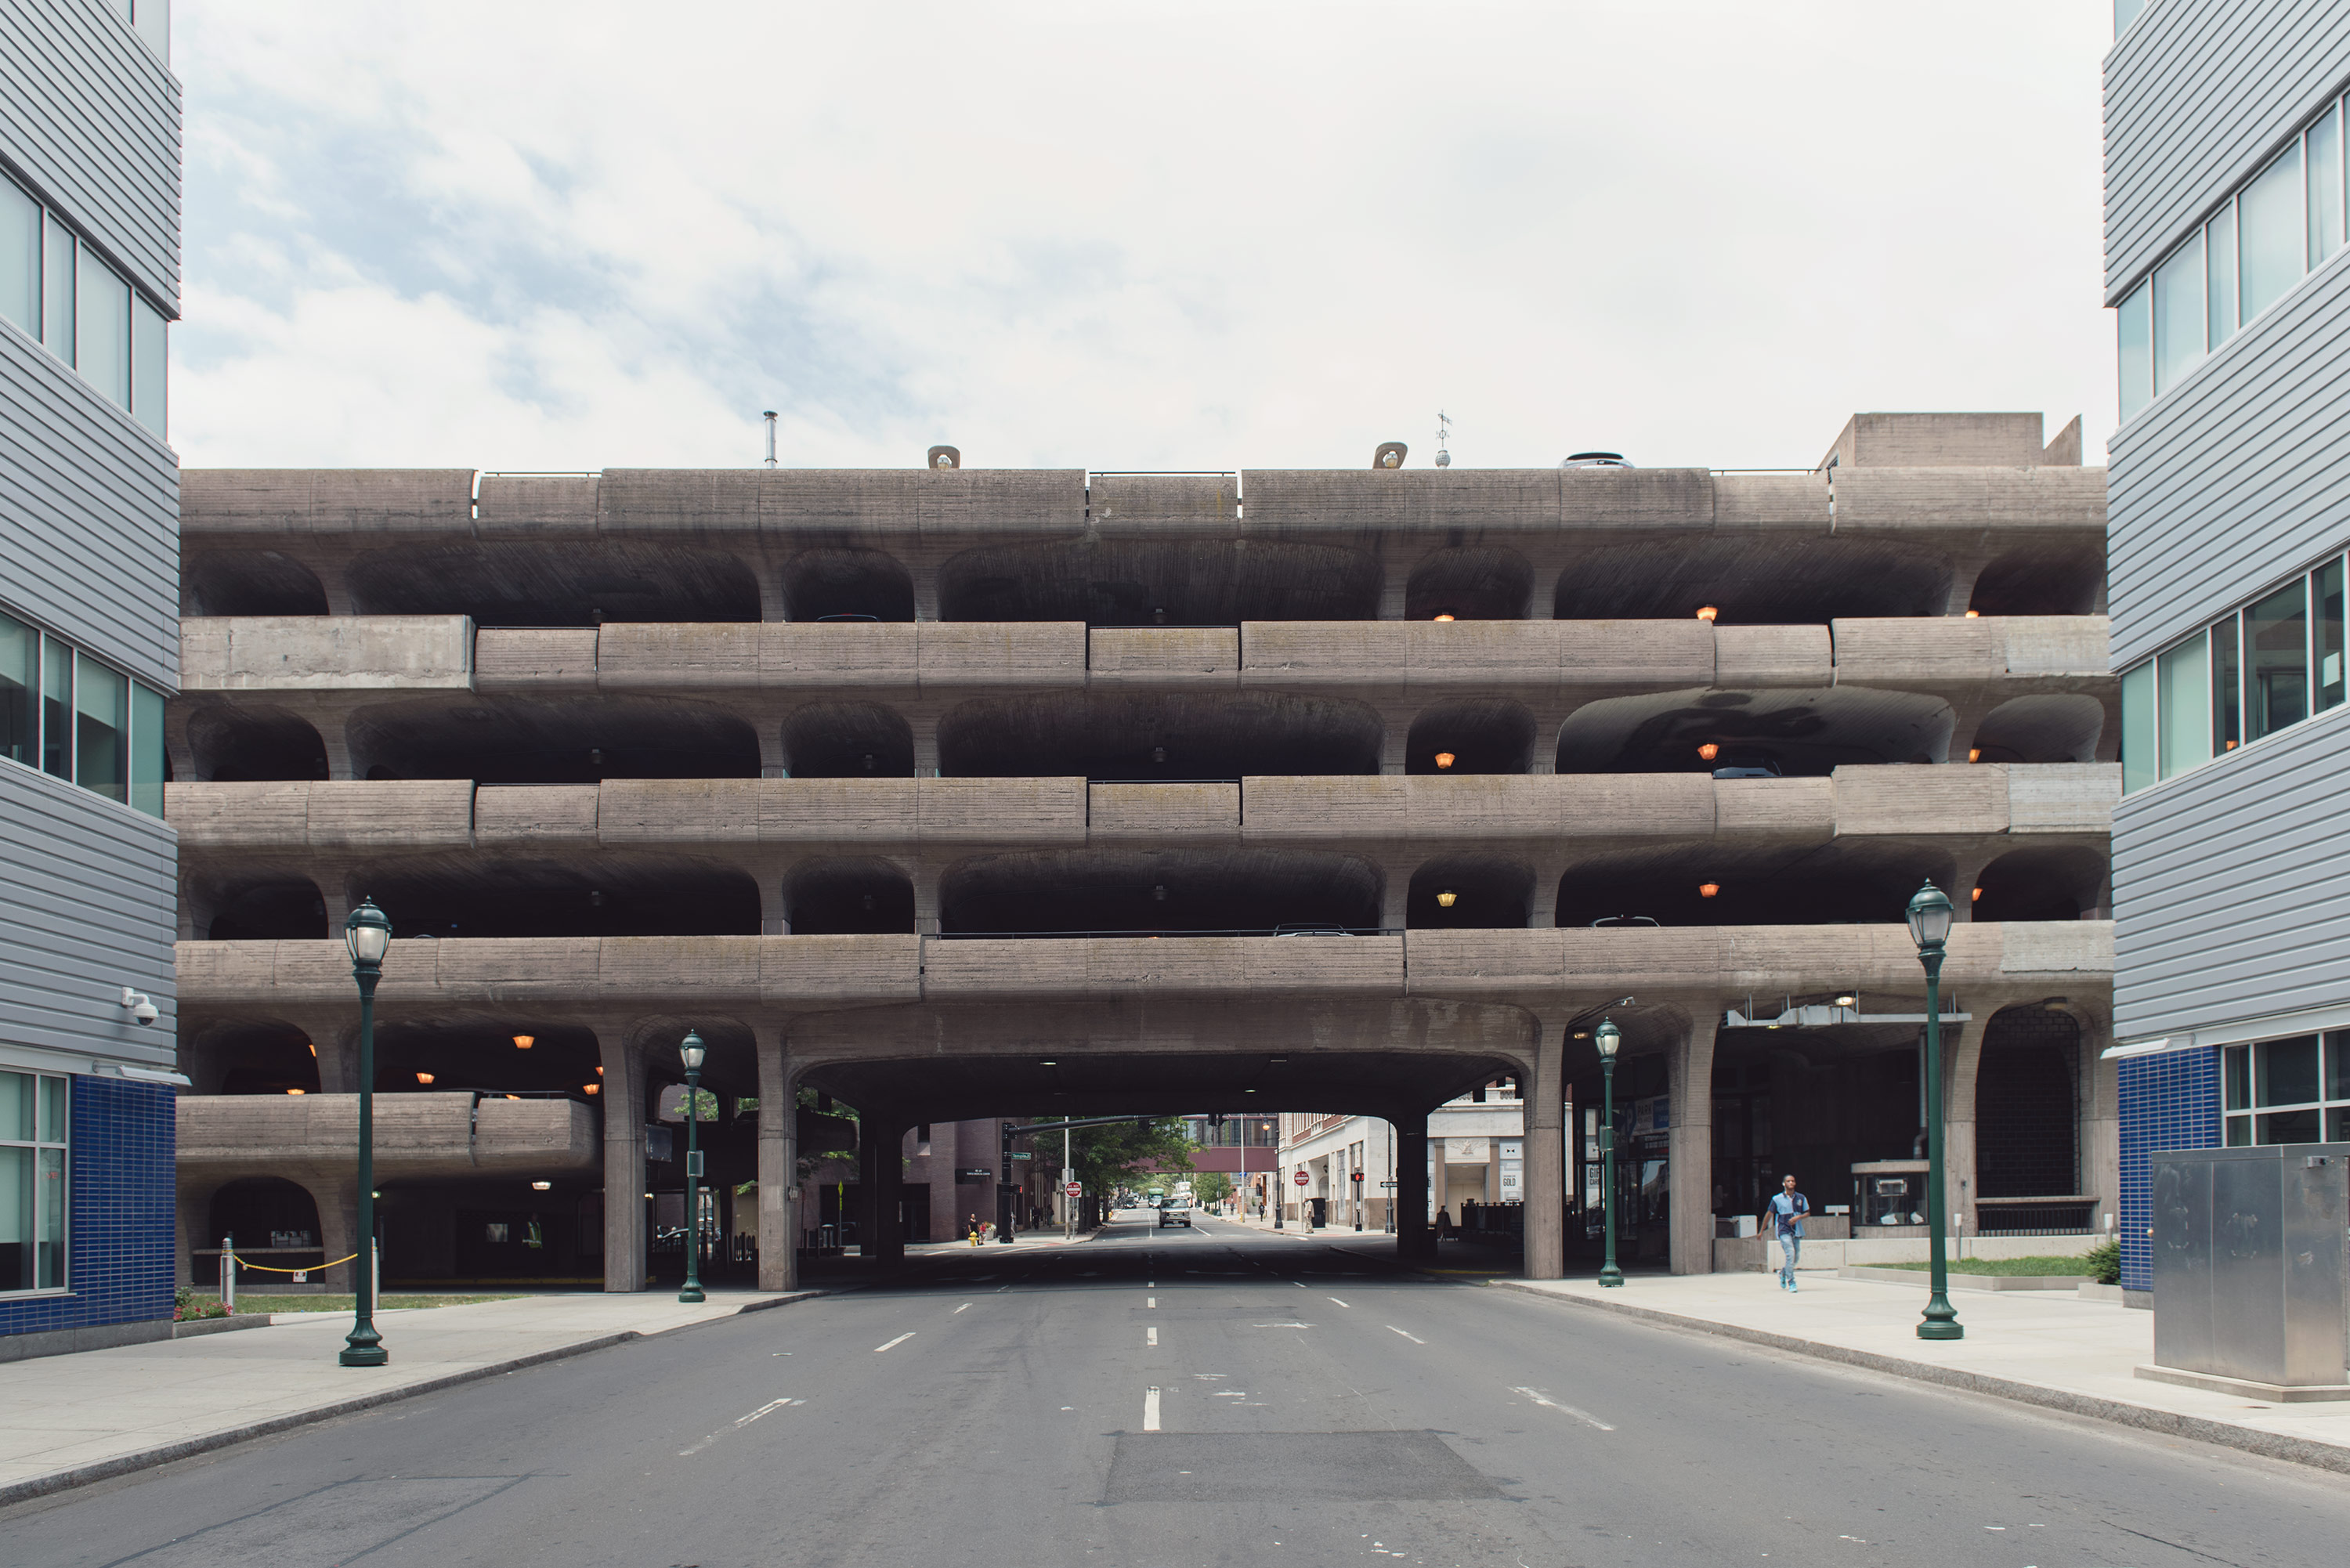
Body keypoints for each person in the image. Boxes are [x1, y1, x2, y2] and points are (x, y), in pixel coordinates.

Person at [1762, 1175, 1809, 1292]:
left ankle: (1783, 1272)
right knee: (1790, 1253)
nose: (1791, 1183)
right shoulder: (1777, 1199)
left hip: (1797, 1230)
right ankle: (1791, 1282)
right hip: (1784, 1230)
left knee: (1796, 1257)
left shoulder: (1801, 1198)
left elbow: (1807, 1212)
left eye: (1793, 1181)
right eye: (1788, 1181)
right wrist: (1761, 1230)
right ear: (1784, 1184)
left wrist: (1798, 1217)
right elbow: (1769, 1214)